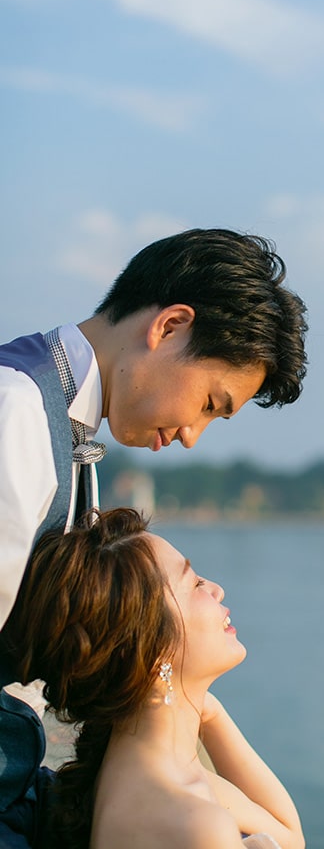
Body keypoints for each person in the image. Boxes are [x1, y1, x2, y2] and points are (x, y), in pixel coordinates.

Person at [0, 228, 307, 847]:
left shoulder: (63, 426)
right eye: (211, 403)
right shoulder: (15, 417)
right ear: (169, 326)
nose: (194, 434)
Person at [3, 507, 305, 849]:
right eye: (194, 584)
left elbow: (288, 834)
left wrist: (203, 706)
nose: (217, 589)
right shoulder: (197, 825)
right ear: (150, 647)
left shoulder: (150, 763)